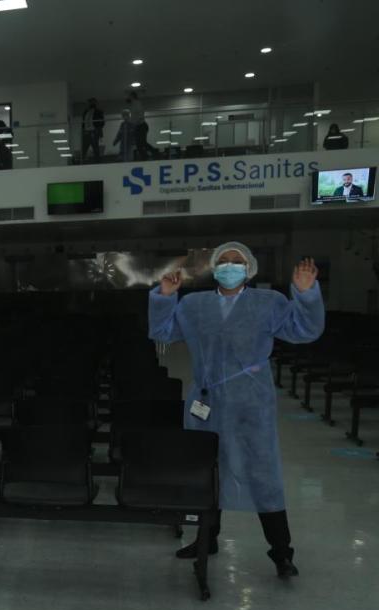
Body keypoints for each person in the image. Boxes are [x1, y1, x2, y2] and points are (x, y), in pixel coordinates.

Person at [149, 243, 324, 578]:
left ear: (250, 268)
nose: (230, 266)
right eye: (224, 261)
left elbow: (305, 331)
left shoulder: (269, 303)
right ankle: (206, 539)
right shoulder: (195, 304)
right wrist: (164, 297)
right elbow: (163, 332)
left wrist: (306, 293)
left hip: (251, 402)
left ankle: (281, 553)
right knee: (205, 470)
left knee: (263, 472)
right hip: (206, 400)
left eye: (237, 262)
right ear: (214, 267)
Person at [127, 91, 152, 160]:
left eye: (130, 96)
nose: (128, 97)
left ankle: (152, 153)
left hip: (141, 125)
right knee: (139, 144)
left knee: (142, 143)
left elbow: (140, 114)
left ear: (132, 96)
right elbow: (134, 117)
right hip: (138, 126)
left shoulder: (137, 103)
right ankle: (145, 157)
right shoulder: (133, 105)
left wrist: (136, 122)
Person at [81, 97, 105, 163]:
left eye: (92, 102)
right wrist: (83, 130)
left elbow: (102, 122)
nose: (91, 103)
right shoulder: (85, 112)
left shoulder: (99, 111)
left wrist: (98, 130)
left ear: (95, 103)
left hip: (94, 131)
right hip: (86, 131)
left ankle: (97, 162)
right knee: (84, 147)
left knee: (95, 147)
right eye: (90, 102)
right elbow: (83, 122)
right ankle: (82, 161)